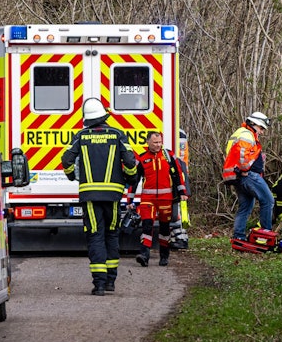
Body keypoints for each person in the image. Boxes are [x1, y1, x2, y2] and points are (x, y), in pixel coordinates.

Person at [61, 98, 138, 295]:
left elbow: (67, 160)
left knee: (95, 236)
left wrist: (71, 176)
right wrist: (131, 178)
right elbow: (130, 163)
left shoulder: (81, 136)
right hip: (113, 196)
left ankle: (100, 285)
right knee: (112, 235)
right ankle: (111, 281)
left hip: (90, 196)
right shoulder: (118, 135)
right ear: (104, 116)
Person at [131, 131, 188, 267]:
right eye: (155, 142)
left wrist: (182, 192)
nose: (158, 145)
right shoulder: (142, 158)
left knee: (164, 228)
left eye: (160, 142)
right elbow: (134, 181)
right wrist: (130, 200)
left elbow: (178, 175)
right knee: (147, 225)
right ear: (148, 142)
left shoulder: (168, 156)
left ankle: (164, 256)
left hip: (165, 199)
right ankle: (144, 255)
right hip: (147, 199)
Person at [222, 111, 275, 241]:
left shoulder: (239, 133)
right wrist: (245, 168)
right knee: (268, 200)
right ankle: (265, 236)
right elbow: (242, 155)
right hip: (247, 175)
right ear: (253, 124)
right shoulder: (247, 135)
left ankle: (238, 236)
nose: (262, 132)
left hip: (238, 176)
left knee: (245, 207)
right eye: (261, 128)